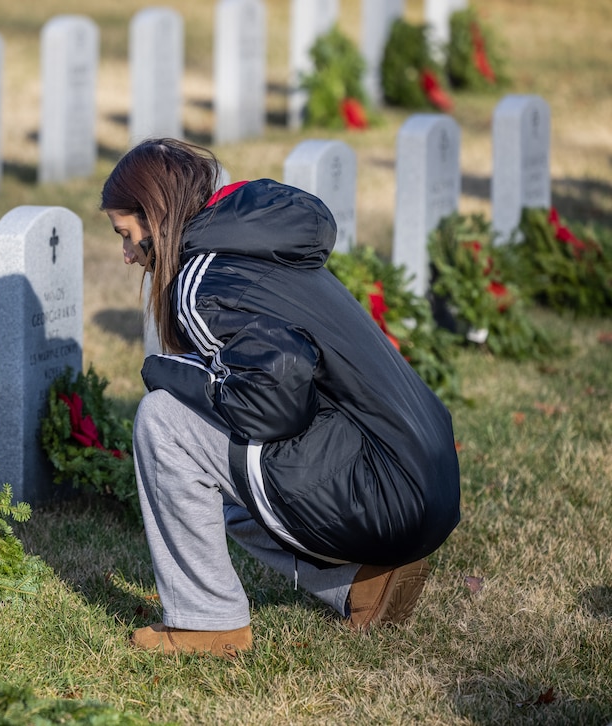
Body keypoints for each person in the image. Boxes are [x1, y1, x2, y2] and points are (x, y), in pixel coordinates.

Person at [102, 138, 461, 658]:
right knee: (221, 471)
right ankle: (359, 583)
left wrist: (168, 374)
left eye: (126, 235)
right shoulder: (257, 242)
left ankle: (208, 621)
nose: (126, 253)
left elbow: (275, 400)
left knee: (164, 421)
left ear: (155, 219)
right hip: (424, 479)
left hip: (386, 490)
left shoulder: (200, 281)